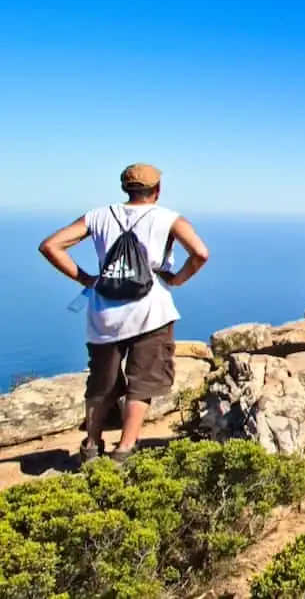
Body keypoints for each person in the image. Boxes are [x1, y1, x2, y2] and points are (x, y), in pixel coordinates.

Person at [38, 164, 210, 464]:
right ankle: (125, 448)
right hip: (151, 313)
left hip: (103, 313)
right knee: (142, 382)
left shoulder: (98, 216)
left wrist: (86, 279)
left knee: (101, 382)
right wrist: (177, 278)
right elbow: (200, 253)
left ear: (125, 189)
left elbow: (50, 246)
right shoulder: (168, 218)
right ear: (157, 190)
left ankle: (91, 445)